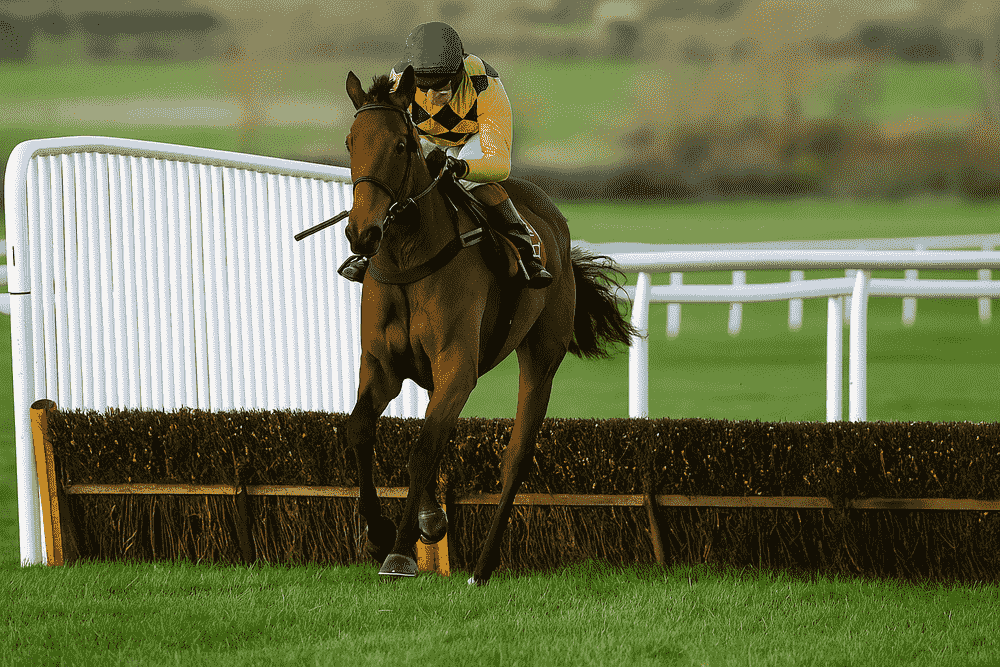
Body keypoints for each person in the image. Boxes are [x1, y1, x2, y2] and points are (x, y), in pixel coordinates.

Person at [340, 21, 552, 288]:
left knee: (476, 184)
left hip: (473, 139)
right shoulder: (398, 79)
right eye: (423, 87)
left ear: (459, 72)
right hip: (427, 139)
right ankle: (371, 254)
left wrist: (460, 166)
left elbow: (498, 165)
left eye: (440, 89)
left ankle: (524, 249)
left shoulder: (484, 85)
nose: (430, 97)